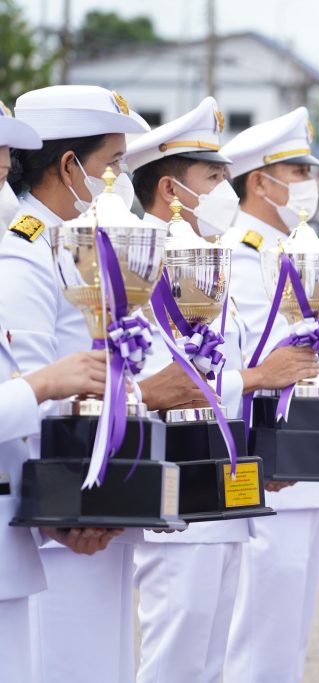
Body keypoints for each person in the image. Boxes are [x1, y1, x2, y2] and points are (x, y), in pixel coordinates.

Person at [125, 96, 319, 683]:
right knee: (176, 659)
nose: (228, 194)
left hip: (225, 486)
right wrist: (260, 378)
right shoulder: (138, 263)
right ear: (170, 189)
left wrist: (259, 456)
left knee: (209, 663)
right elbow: (164, 385)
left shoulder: (207, 261)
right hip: (175, 487)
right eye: (214, 177)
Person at [0, 85, 162, 683]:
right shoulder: (24, 254)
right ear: (69, 166)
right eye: (111, 165)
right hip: (56, 514)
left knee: (107, 663)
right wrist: (62, 512)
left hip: (89, 504)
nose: (117, 179)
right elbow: (31, 392)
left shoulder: (67, 247)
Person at [220, 107, 319, 683]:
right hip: (270, 460)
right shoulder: (243, 253)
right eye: (298, 171)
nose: (309, 185)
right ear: (260, 182)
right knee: (260, 635)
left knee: (289, 634)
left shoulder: (300, 245)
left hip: (309, 460)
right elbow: (256, 361)